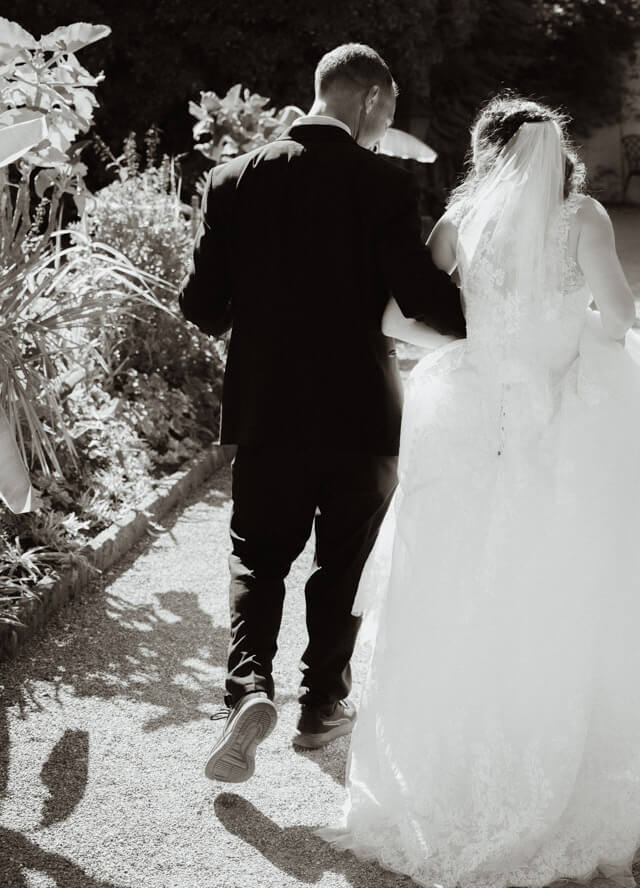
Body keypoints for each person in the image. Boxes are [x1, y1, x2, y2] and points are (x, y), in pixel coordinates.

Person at [318, 96, 640, 888]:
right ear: (554, 151)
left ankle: (445, 774)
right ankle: (569, 771)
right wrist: (572, 344)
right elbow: (623, 315)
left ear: (489, 152)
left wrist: (472, 349)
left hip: (472, 414)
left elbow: (401, 318)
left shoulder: (462, 219)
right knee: (569, 585)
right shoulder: (584, 219)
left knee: (457, 583)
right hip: (563, 420)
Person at [178, 44, 466, 783]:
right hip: (360, 411)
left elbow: (203, 308)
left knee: (258, 556)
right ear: (369, 100)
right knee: (343, 564)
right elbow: (421, 297)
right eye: (387, 115)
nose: (383, 130)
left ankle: (247, 688)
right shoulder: (383, 185)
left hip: (269, 407)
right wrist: (493, 322)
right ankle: (320, 708)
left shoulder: (232, 180)